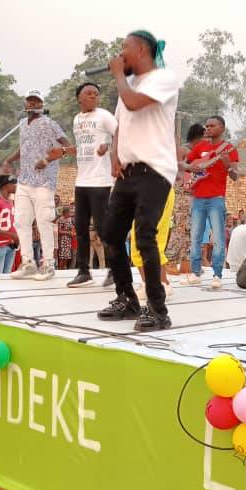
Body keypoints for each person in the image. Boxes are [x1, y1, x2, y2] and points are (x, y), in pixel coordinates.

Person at [96, 30, 179, 331]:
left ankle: (158, 309)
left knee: (144, 237)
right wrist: (115, 155)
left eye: (124, 49)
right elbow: (121, 124)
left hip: (155, 170)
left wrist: (118, 75)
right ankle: (127, 298)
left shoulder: (164, 79)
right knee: (111, 234)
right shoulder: (128, 86)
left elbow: (132, 103)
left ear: (142, 50)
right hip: (129, 171)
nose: (120, 55)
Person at [1, 89, 74, 280]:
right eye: (29, 100)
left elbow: (66, 145)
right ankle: (28, 263)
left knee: (44, 221)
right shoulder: (22, 125)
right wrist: (8, 160)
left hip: (44, 180)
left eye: (36, 101)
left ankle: (48, 264)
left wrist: (49, 158)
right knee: (21, 221)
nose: (32, 103)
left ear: (42, 104)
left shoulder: (49, 123)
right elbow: (23, 148)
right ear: (25, 104)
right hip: (24, 180)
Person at [180, 115, 240, 290]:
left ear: (222, 128)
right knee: (195, 236)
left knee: (219, 238)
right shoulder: (200, 147)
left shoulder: (229, 148)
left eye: (212, 126)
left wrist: (226, 163)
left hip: (216, 198)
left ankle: (217, 274)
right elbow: (183, 164)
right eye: (206, 126)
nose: (208, 129)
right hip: (198, 197)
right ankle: (195, 272)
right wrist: (191, 168)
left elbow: (235, 176)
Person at [68, 81, 118, 288]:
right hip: (82, 180)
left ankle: (115, 269)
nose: (93, 97)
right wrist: (61, 153)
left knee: (103, 228)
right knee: (80, 226)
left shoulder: (104, 116)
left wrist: (109, 146)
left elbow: (122, 134)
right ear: (79, 97)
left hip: (101, 180)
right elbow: (80, 147)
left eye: (96, 94)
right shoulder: (77, 119)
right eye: (88, 93)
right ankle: (83, 271)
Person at [165, 123, 206, 275]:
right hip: (182, 193)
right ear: (197, 136)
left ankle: (185, 263)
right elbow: (174, 165)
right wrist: (189, 167)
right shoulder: (183, 149)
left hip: (196, 194)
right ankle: (169, 262)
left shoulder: (203, 153)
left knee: (191, 230)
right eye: (204, 136)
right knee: (179, 228)